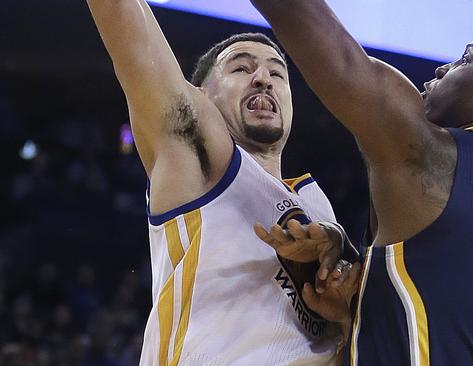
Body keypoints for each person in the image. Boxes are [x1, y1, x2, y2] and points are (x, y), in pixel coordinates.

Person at [250, 1, 473, 365]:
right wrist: (351, 293)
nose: (442, 67)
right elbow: (451, 308)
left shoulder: (435, 158)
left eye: (465, 60)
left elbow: (327, 44)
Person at [86, 0, 354, 364]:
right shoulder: (196, 157)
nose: (263, 78)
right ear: (202, 94)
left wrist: (343, 314)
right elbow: (128, 28)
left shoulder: (322, 212)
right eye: (241, 67)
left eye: (278, 74)